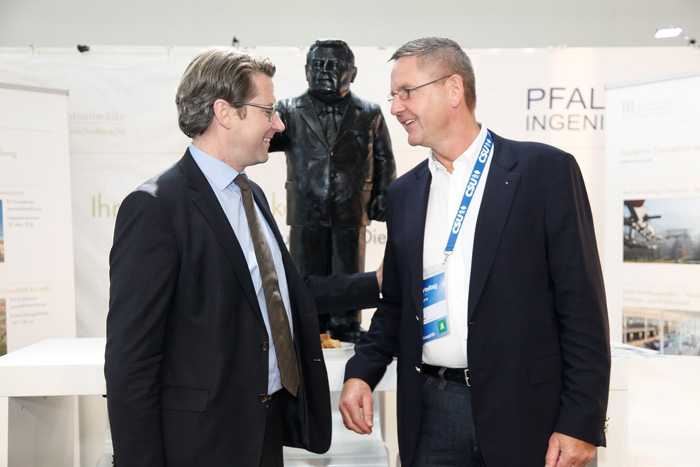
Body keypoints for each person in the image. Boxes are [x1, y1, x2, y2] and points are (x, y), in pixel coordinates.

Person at [339, 37, 611, 467]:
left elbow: (582, 308)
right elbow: (396, 305)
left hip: (526, 414)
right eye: (393, 96)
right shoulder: (405, 193)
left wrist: (581, 421)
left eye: (406, 92)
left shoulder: (544, 172)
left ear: (453, 89)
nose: (395, 108)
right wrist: (360, 373)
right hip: (432, 414)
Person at [105, 47, 380, 467]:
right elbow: (131, 363)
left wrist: (374, 283)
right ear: (225, 113)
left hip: (262, 431)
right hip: (200, 445)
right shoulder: (156, 208)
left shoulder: (251, 195)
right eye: (268, 111)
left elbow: (279, 293)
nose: (279, 124)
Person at [270, 39, 396, 343]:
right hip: (305, 206)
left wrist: (383, 194)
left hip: (351, 205)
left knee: (348, 267)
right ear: (306, 70)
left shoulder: (369, 112)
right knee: (306, 270)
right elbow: (263, 143)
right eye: (318, 64)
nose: (324, 71)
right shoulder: (288, 110)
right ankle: (308, 322)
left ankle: (346, 322)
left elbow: (383, 157)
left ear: (353, 72)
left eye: (334, 65)